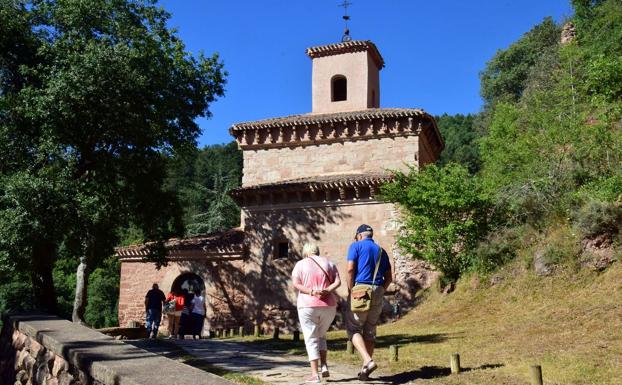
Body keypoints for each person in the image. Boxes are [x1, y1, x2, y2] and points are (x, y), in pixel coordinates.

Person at [346, 224, 392, 380]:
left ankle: (368, 360)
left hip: (360, 290)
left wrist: (350, 289)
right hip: (378, 288)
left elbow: (350, 269)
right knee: (370, 330)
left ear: (359, 235)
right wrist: (381, 290)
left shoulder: (356, 246)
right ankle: (365, 370)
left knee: (353, 329)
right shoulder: (381, 251)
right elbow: (389, 277)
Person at [292, 243, 341, 384]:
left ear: (305, 252)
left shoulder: (300, 264)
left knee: (311, 338)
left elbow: (296, 283)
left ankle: (314, 374)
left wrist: (312, 292)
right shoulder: (329, 263)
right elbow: (338, 281)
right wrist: (327, 290)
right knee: (321, 336)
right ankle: (324, 365)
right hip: (329, 306)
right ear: (317, 251)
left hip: (307, 305)